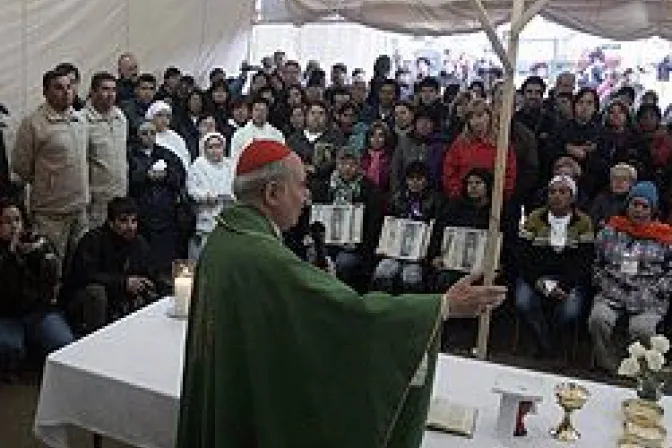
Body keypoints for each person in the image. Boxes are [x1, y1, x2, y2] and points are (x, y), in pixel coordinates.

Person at [176, 139, 507, 448]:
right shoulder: (263, 256)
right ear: (273, 193)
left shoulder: (224, 238)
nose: (306, 197)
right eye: (301, 186)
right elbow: (355, 315)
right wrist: (444, 306)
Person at [589, 182, 672, 372]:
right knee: (598, 319)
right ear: (627, 205)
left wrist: (659, 289)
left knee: (642, 330)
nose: (639, 210)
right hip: (612, 290)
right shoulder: (610, 231)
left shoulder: (665, 237)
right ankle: (609, 365)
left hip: (648, 296)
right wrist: (601, 280)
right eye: (635, 204)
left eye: (645, 206)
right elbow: (596, 261)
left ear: (653, 210)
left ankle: (639, 370)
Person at [12, 67, 89, 274]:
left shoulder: (80, 120)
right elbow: (21, 166)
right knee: (50, 269)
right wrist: (49, 183)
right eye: (58, 88)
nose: (66, 92)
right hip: (50, 213)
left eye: (69, 87)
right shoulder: (33, 124)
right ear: (45, 92)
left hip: (79, 209)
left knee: (79, 267)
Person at [515, 175, 594, 357]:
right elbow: (523, 256)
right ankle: (545, 341)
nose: (556, 196)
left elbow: (584, 261)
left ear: (572, 197)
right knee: (523, 302)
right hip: (536, 276)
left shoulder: (583, 222)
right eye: (552, 192)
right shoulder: (535, 217)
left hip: (568, 280)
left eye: (562, 192)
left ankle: (553, 337)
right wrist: (537, 281)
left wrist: (564, 285)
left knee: (570, 311)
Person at [63, 197, 161, 335]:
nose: (130, 226)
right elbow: (84, 275)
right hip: (87, 300)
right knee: (96, 292)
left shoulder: (139, 243)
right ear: (110, 222)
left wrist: (145, 282)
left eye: (134, 221)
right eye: (123, 221)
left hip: (123, 299)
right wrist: (123, 283)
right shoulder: (93, 240)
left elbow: (149, 272)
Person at [0, 199, 73, 376]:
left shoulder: (39, 245)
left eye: (17, 220)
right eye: (7, 222)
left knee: (64, 343)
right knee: (9, 348)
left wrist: (38, 256)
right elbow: (5, 292)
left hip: (38, 312)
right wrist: (11, 256)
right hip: (6, 314)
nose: (14, 226)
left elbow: (51, 285)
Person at [82, 71, 129, 228]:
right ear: (93, 92)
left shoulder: (120, 117)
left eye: (113, 90)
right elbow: (81, 161)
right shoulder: (81, 120)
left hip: (120, 195)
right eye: (105, 89)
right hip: (96, 201)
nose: (110, 94)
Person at [186, 132, 234, 259]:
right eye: (211, 147)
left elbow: (236, 187)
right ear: (205, 148)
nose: (215, 150)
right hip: (206, 216)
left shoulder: (230, 165)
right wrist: (205, 197)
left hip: (227, 217)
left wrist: (230, 197)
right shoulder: (198, 165)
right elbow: (191, 189)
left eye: (218, 146)